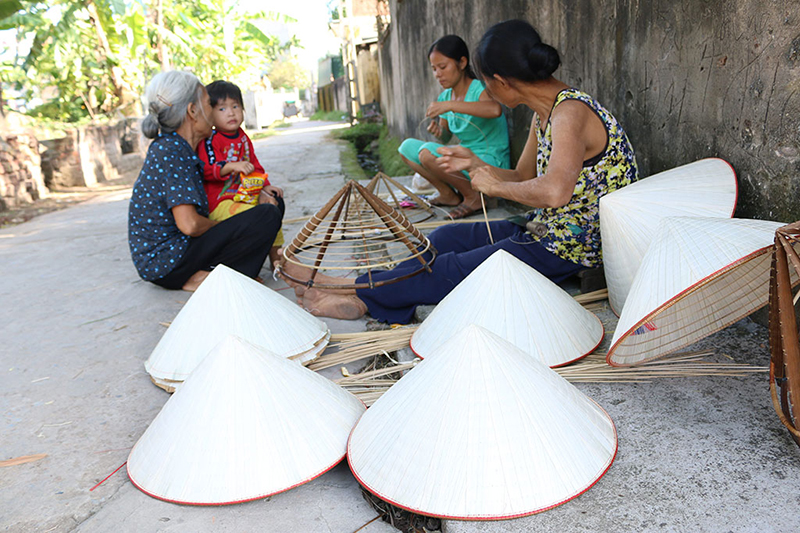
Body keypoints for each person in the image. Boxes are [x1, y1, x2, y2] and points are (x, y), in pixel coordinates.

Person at [281, 19, 638, 323]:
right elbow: (522, 176)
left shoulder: (570, 113)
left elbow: (554, 192)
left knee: (452, 267)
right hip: (545, 227)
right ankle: (366, 297)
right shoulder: (543, 114)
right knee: (445, 240)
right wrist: (476, 163)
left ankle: (347, 286)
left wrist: (494, 189)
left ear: (500, 81)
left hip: (574, 247)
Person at [128, 71, 283, 291]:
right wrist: (228, 229)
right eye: (208, 104)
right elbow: (190, 224)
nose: (212, 111)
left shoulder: (182, 147)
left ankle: (217, 273)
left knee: (271, 204)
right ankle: (203, 277)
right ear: (193, 111)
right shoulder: (170, 150)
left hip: (180, 251)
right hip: (166, 262)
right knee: (265, 216)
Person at [397, 35, 510, 219]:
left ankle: (473, 197)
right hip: (463, 159)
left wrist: (450, 105)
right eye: (434, 69)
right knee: (406, 148)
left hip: (489, 160)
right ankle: (448, 195)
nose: (438, 74)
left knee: (427, 152)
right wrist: (439, 132)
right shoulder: (444, 97)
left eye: (443, 67)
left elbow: (494, 109)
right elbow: (445, 138)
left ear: (462, 62)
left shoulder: (478, 88)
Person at [197, 80, 285, 266]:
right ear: (209, 113)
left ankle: (275, 256)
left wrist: (266, 186)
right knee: (261, 216)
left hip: (244, 196)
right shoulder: (211, 140)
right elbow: (206, 170)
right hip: (221, 202)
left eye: (235, 106)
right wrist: (231, 166)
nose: (231, 112)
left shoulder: (243, 137)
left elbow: (255, 166)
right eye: (222, 109)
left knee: (274, 204)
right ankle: (245, 267)